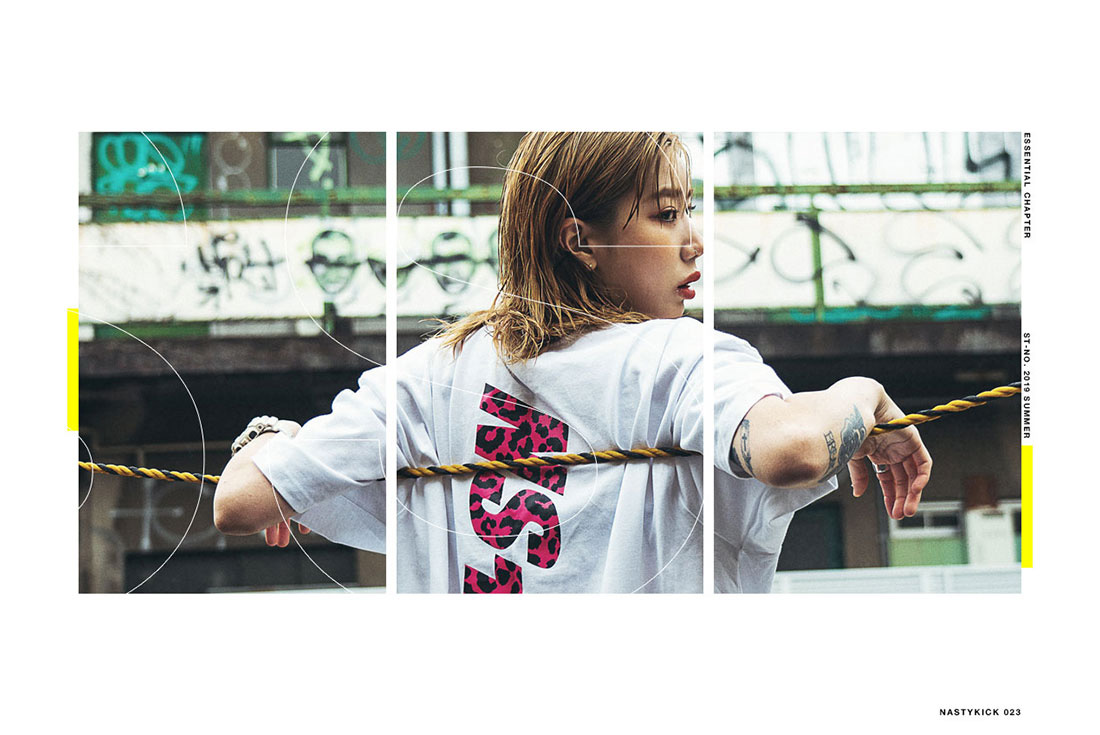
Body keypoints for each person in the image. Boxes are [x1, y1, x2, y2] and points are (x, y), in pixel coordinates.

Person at [213, 131, 931, 593]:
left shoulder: (429, 376)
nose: (694, 241)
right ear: (580, 240)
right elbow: (795, 448)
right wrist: (863, 393)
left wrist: (275, 441)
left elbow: (238, 502)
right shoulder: (677, 358)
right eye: (666, 213)